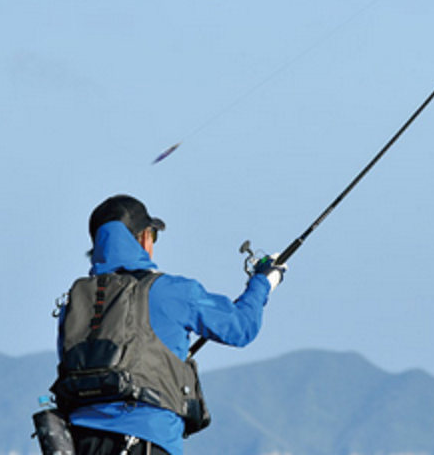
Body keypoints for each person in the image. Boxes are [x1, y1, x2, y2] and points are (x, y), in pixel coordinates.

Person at [51, 194, 285, 455]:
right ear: (143, 238)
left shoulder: (73, 304)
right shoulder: (169, 290)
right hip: (146, 441)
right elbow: (241, 328)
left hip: (79, 443)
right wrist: (263, 282)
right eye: (153, 235)